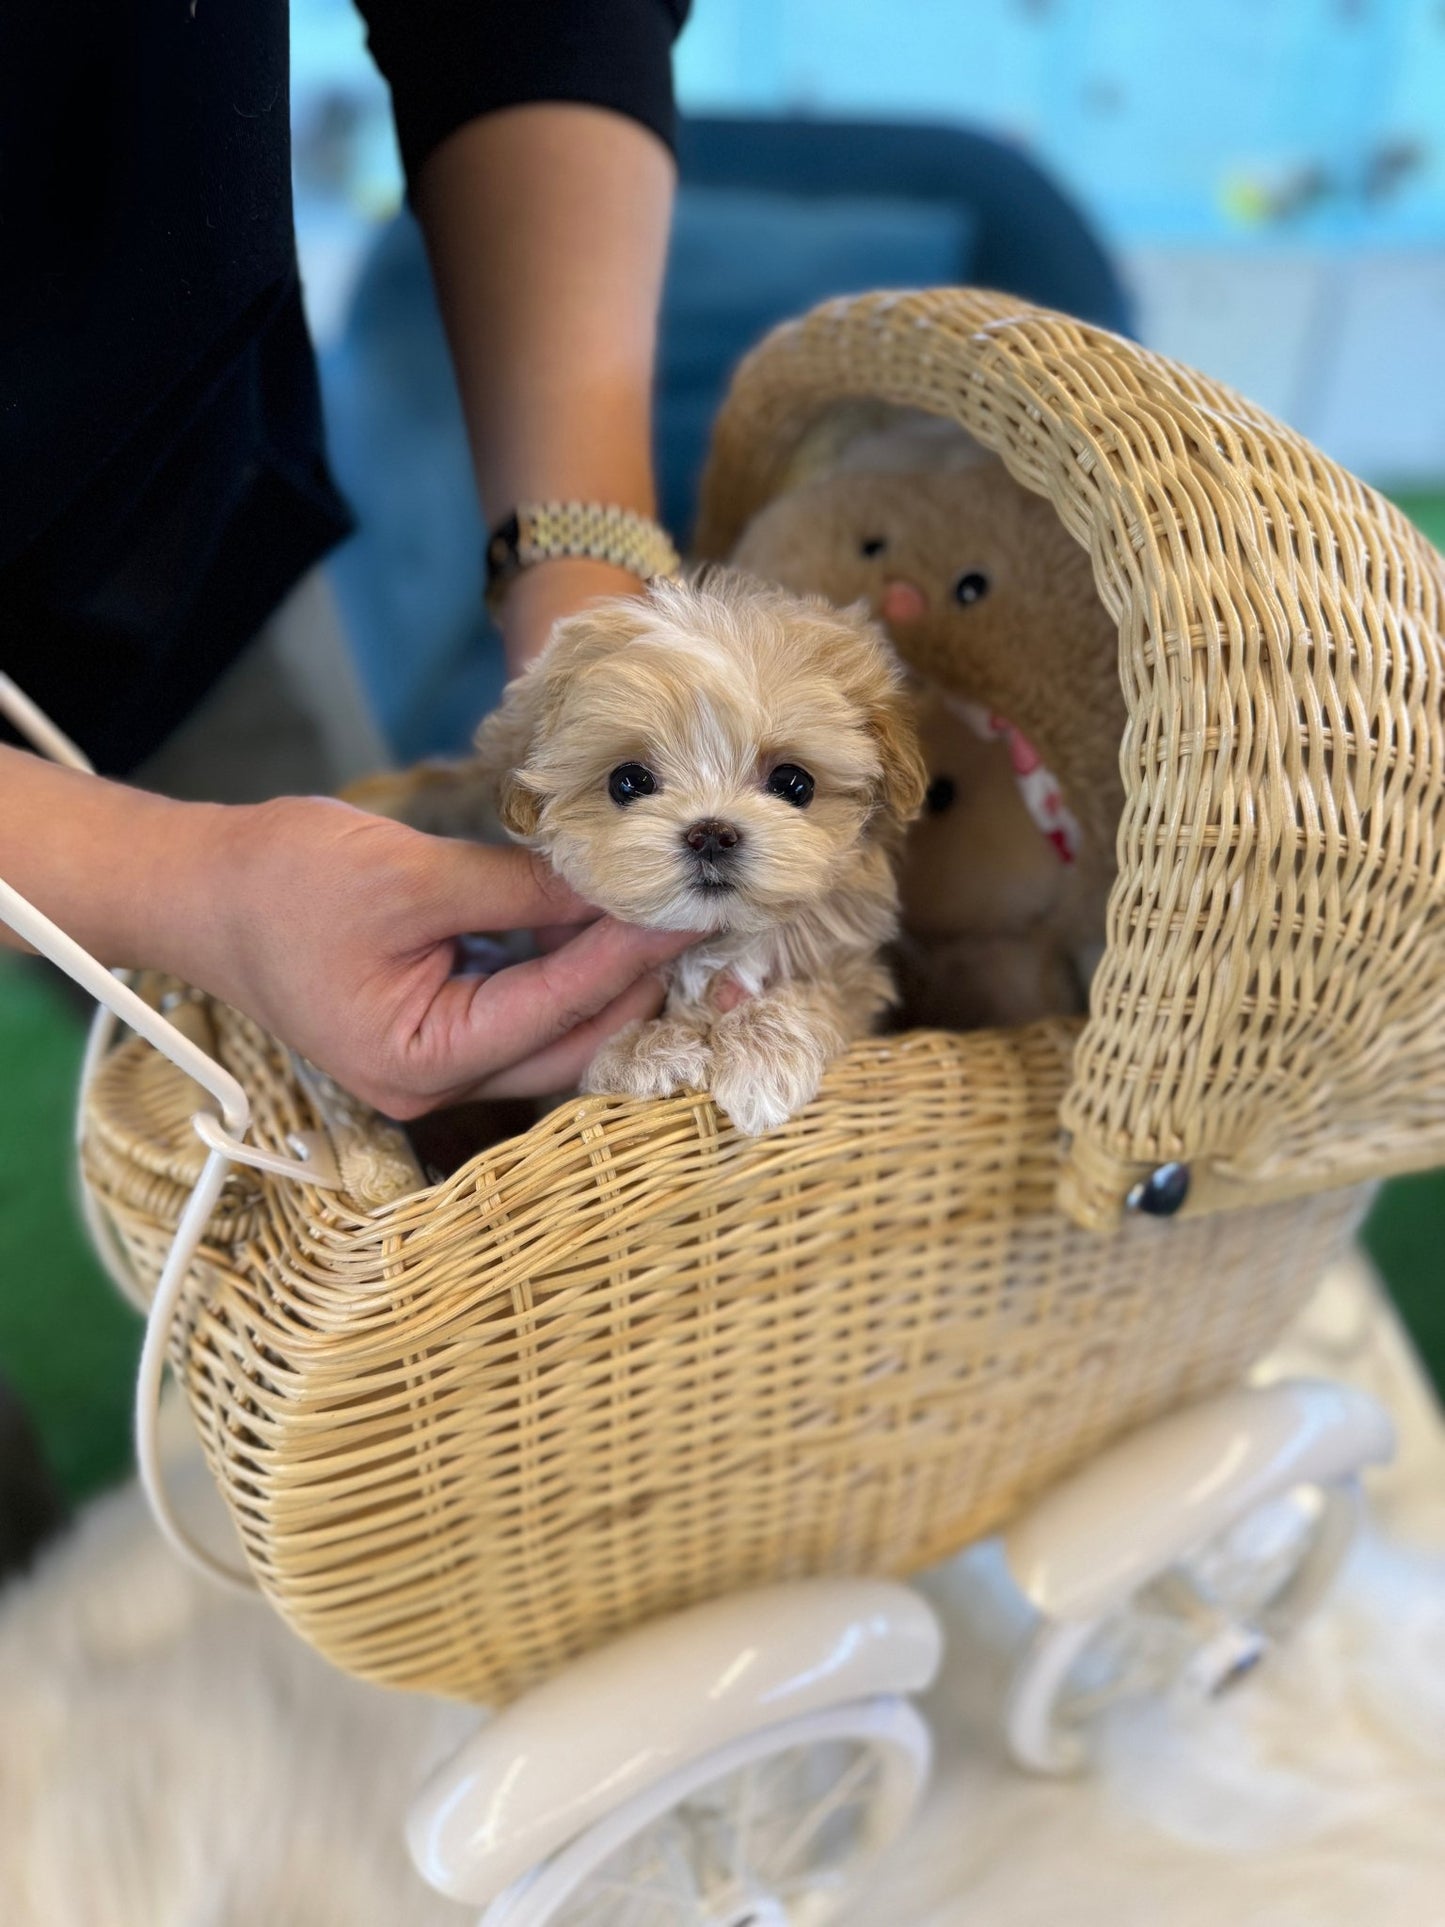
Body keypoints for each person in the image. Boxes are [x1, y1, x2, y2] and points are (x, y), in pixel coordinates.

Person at [0, 0, 700, 1117]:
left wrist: (580, 574)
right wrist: (192, 887)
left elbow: (525, 25)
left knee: (420, 1059)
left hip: (180, 525)